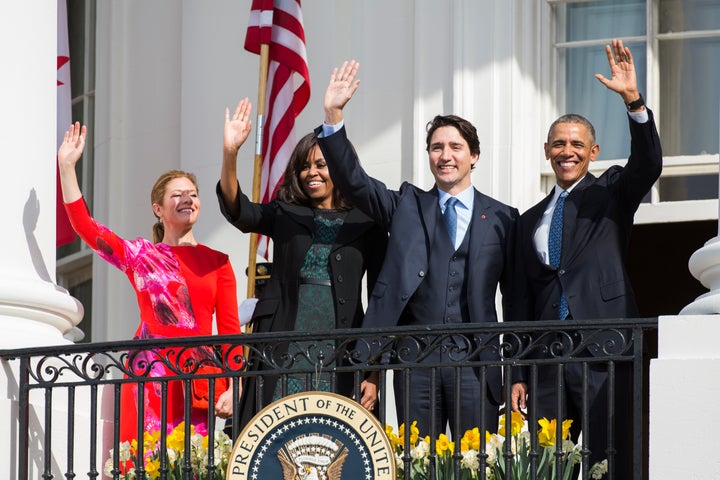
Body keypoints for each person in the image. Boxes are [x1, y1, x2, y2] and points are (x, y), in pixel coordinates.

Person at [316, 61, 518, 438]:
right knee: (418, 460)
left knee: (476, 464)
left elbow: (518, 298)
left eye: (455, 147)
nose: (445, 155)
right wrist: (334, 116)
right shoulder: (406, 205)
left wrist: (518, 371)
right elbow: (356, 183)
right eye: (437, 147)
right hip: (415, 361)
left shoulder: (505, 218)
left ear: (473, 155)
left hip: (475, 362)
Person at [509, 39, 663, 478]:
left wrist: (633, 101)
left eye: (577, 144)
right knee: (542, 468)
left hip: (603, 352)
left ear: (593, 152)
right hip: (544, 360)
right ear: (546, 151)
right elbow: (519, 300)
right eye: (558, 144)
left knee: (609, 462)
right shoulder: (528, 221)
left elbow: (649, 164)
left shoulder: (611, 192)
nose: (567, 151)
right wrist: (517, 370)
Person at [57, 123, 242, 444]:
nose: (188, 199)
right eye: (177, 195)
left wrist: (234, 386)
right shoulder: (141, 255)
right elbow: (87, 228)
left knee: (192, 463)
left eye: (193, 194)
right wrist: (67, 168)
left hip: (196, 379)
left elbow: (229, 331)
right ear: (158, 209)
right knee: (144, 463)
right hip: (149, 375)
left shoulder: (219, 262)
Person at [217, 99, 387, 428]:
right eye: (305, 166)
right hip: (285, 341)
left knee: (335, 437)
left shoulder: (369, 222)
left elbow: (382, 301)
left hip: (342, 349)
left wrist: (374, 372)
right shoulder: (285, 212)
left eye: (322, 165)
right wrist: (230, 153)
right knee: (280, 433)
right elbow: (239, 209)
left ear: (339, 167)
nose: (312, 173)